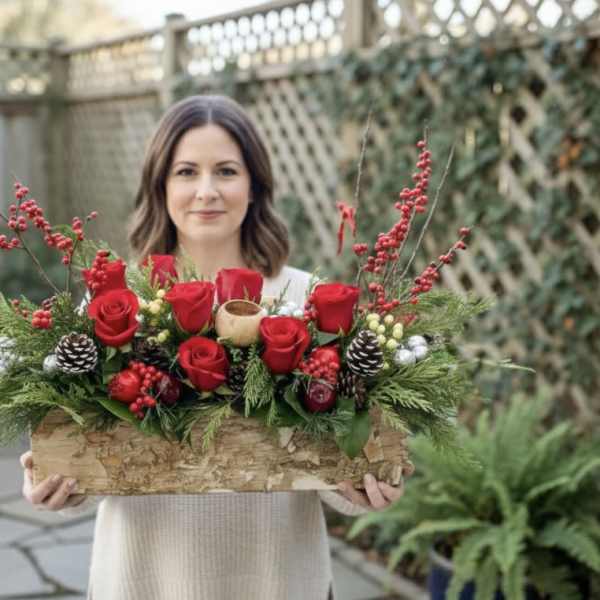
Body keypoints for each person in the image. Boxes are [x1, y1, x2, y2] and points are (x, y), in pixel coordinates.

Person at [20, 95, 404, 600]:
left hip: (279, 580)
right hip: (145, 580)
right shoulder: (116, 300)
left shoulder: (306, 299)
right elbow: (91, 450)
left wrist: (365, 488)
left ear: (254, 185)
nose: (206, 191)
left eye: (226, 171)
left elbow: (333, 452)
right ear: (160, 185)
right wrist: (58, 487)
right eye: (186, 172)